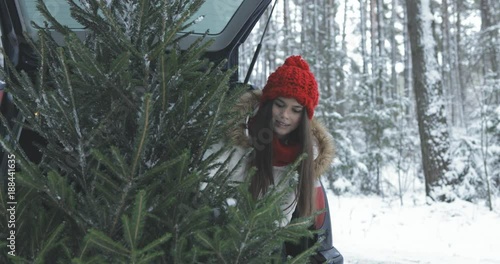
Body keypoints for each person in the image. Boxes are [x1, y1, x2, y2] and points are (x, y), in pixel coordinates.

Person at [222, 55, 343, 263]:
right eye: (280, 105)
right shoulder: (239, 138)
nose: (285, 115)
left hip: (265, 248)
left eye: (295, 110)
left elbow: (280, 221)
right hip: (220, 242)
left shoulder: (303, 160)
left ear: (304, 117)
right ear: (268, 103)